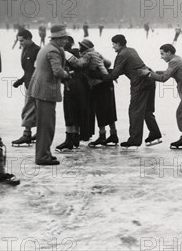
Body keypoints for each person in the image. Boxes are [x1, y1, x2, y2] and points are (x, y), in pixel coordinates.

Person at [101, 35, 162, 147]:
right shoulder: (131, 50)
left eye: (114, 44)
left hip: (140, 82)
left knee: (135, 111)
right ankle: (155, 133)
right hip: (150, 78)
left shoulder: (122, 54)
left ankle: (134, 139)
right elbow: (126, 68)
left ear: (119, 44)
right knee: (147, 111)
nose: (113, 46)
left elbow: (115, 73)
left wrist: (100, 75)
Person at [28, 24, 71, 165]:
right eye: (63, 38)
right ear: (57, 38)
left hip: (40, 91)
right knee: (46, 126)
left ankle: (44, 153)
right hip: (46, 92)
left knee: (44, 126)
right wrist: (67, 74)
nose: (66, 41)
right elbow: (58, 71)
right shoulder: (53, 51)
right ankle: (42, 157)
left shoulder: (47, 48)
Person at [66, 39, 117, 149]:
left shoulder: (88, 55)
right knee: (109, 110)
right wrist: (100, 66)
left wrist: (67, 56)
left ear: (84, 47)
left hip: (98, 85)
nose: (79, 49)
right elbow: (107, 63)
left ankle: (102, 135)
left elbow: (79, 64)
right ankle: (113, 134)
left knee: (100, 110)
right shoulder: (96, 53)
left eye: (80, 47)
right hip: (107, 82)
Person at [11, 29, 40, 146]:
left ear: (29, 38)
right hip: (28, 83)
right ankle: (38, 132)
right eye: (19, 41)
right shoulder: (26, 49)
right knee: (34, 108)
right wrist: (21, 80)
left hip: (35, 84)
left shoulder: (37, 50)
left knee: (29, 108)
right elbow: (28, 70)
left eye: (22, 41)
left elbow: (37, 70)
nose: (20, 43)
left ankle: (27, 134)